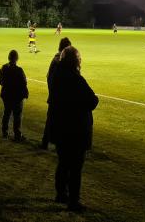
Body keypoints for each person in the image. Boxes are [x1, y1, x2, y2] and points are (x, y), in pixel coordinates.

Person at [48, 46, 99, 211]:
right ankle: (73, 201)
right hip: (75, 130)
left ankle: (61, 194)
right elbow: (92, 101)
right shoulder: (76, 79)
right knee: (75, 167)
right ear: (75, 61)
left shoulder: (56, 76)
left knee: (63, 163)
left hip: (60, 127)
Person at [40, 37, 72, 150]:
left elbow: (48, 76)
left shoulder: (55, 59)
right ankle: (59, 145)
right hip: (59, 98)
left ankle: (45, 143)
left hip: (54, 97)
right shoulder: (60, 61)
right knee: (62, 122)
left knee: (50, 121)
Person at [0, 50, 29, 141]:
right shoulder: (19, 70)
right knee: (17, 116)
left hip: (6, 95)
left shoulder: (3, 68)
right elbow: (24, 83)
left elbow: (0, 81)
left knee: (6, 113)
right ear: (16, 58)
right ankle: (17, 134)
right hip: (16, 97)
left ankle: (4, 132)